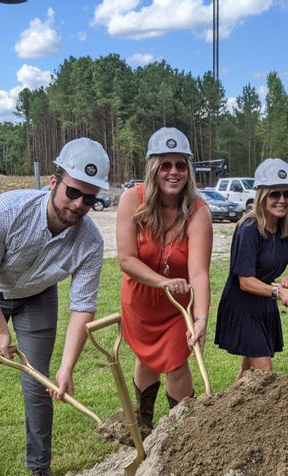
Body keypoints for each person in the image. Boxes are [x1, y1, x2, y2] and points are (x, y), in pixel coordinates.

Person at [0, 137, 109, 476]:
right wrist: (0, 332)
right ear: (54, 183)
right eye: (73, 192)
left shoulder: (90, 241)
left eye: (90, 198)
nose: (79, 204)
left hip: (38, 295)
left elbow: (83, 306)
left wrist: (67, 367)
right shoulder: (7, 209)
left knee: (39, 384)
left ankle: (40, 467)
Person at [116, 127, 212, 437]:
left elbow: (199, 273)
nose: (174, 172)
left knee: (176, 362)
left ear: (189, 169)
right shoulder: (133, 199)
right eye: (165, 165)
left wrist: (201, 319)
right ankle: (143, 424)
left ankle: (182, 432)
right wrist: (163, 282)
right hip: (141, 302)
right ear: (153, 168)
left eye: (180, 165)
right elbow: (126, 259)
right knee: (146, 360)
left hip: (177, 308)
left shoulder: (199, 211)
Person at [214, 158, 288, 378]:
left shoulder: (284, 228)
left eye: (287, 194)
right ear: (262, 197)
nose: (282, 200)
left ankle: (233, 408)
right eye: (275, 194)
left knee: (248, 368)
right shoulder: (249, 229)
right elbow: (245, 281)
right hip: (242, 307)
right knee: (264, 370)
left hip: (264, 307)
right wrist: (278, 291)